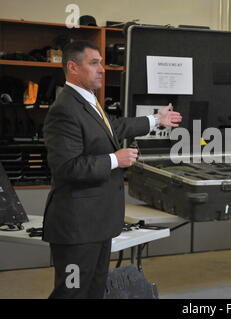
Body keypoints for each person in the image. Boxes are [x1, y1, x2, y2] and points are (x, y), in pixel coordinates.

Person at [42, 40, 182, 299]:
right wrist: (115, 159)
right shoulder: (64, 110)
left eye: (102, 62)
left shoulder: (88, 102)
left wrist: (155, 119)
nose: (102, 69)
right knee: (72, 293)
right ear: (73, 67)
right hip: (77, 228)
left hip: (96, 223)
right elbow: (66, 168)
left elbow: (114, 129)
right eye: (94, 63)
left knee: (94, 291)